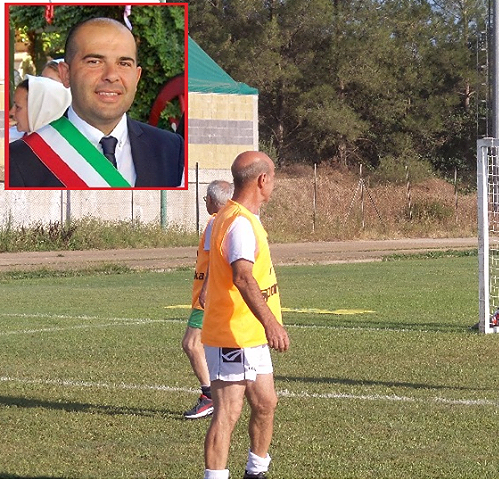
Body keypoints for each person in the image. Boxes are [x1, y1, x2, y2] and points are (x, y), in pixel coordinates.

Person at [7, 17, 184, 189]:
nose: (112, 75)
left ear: (137, 77)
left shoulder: (172, 150)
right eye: (94, 62)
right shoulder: (19, 159)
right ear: (66, 74)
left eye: (123, 63)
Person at [201, 151, 290, 479]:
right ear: (262, 180)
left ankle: (256, 471)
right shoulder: (238, 222)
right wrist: (272, 323)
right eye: (274, 178)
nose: (274, 186)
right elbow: (242, 276)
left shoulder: (241, 217)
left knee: (266, 402)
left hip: (250, 333)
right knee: (228, 411)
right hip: (232, 333)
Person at [182, 180, 234, 420]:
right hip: (214, 293)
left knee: (192, 344)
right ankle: (223, 394)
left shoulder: (216, 222)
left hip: (208, 296)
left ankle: (209, 396)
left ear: (214, 200)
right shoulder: (230, 220)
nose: (206, 203)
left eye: (206, 199)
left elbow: (217, 257)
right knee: (215, 345)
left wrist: (206, 289)